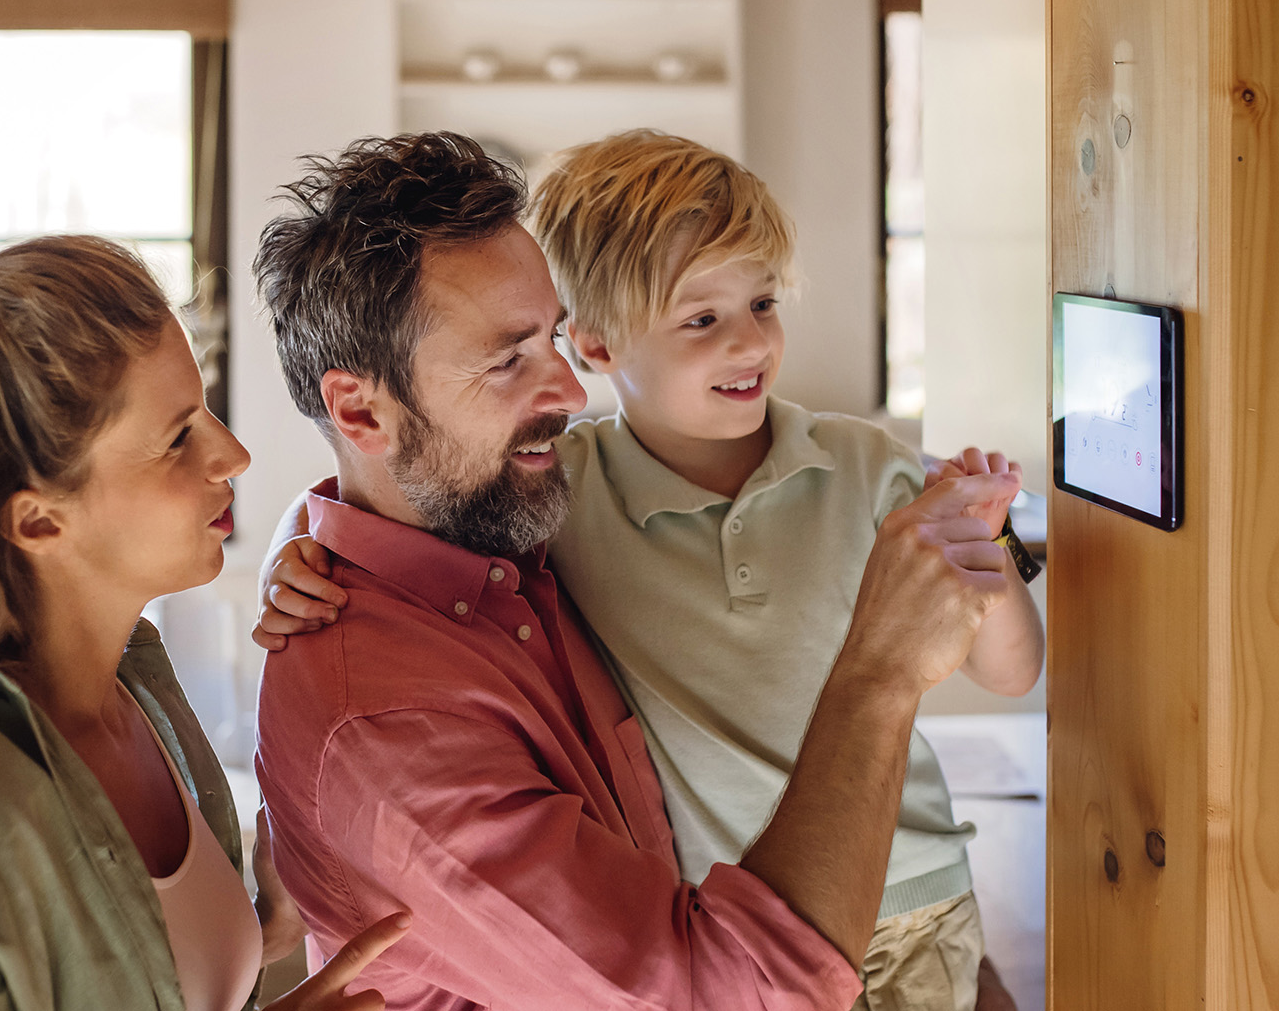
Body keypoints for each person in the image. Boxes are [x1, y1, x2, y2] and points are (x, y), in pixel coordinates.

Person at [263, 130, 1041, 1009]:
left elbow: (1012, 665)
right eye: (508, 356)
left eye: (763, 303)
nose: (563, 388)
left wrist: (991, 550)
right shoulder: (559, 505)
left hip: (914, 899)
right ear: (606, 347)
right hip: (748, 924)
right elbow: (723, 989)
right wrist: (295, 543)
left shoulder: (855, 467)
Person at [0, 235, 405, 1010]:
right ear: (36, 521)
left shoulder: (141, 693)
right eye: (176, 438)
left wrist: (261, 939)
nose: (233, 455)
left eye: (207, 413)